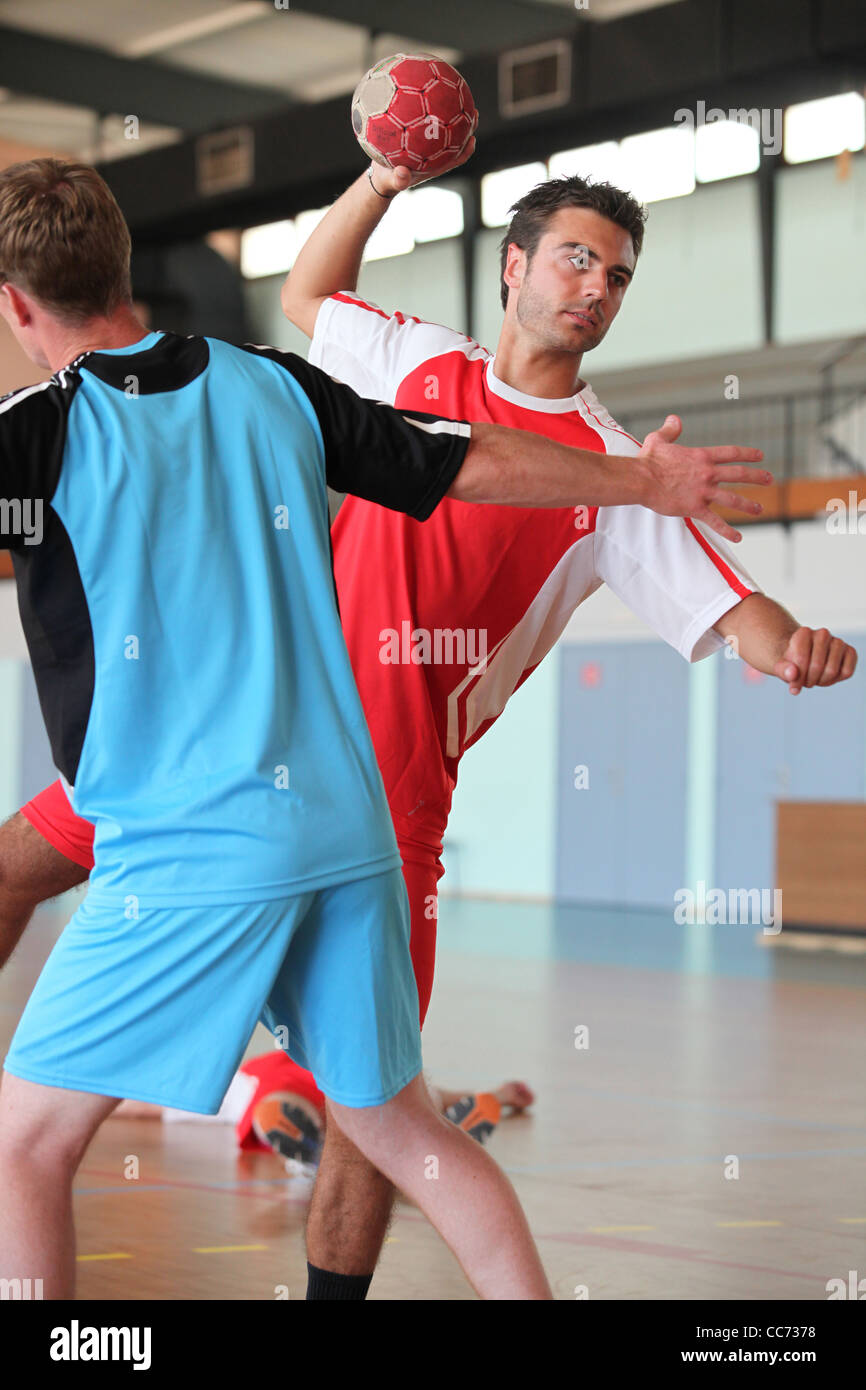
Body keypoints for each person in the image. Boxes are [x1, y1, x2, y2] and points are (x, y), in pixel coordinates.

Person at [0, 154, 785, 1302]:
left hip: (194, 835)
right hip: (344, 827)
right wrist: (636, 481)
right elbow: (466, 461)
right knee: (407, 1132)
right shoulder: (275, 385)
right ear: (124, 264)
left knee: (26, 1148)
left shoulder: (36, 432)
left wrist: (634, 485)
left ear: (18, 305)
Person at [111, 1048, 534, 1168]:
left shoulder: (242, 1078)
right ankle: (320, 1152)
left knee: (272, 1108)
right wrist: (498, 1096)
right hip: (352, 1088)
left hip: (309, 1089)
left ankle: (314, 1155)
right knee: (423, 1102)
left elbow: (143, 1106)